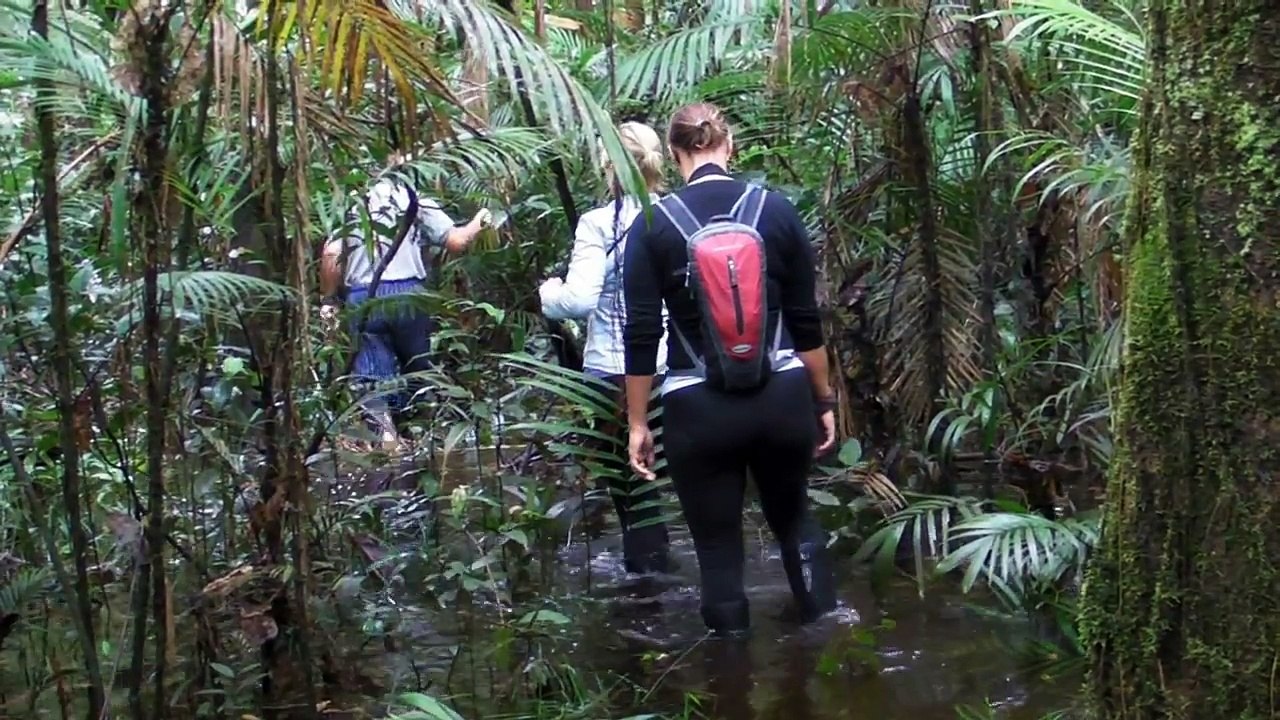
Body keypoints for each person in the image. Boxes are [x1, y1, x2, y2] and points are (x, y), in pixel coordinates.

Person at [621, 102, 838, 636]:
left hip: (698, 408)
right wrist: (824, 399)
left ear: (674, 155)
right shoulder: (777, 210)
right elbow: (806, 321)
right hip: (781, 396)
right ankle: (830, 648)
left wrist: (638, 424)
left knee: (717, 550)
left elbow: (642, 334)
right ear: (729, 144)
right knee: (796, 525)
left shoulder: (652, 225)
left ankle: (730, 678)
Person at [539, 122, 673, 575]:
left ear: (607, 164)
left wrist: (548, 292)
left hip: (612, 373)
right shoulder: (675, 214)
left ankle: (644, 592)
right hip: (672, 369)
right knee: (672, 486)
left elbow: (577, 301)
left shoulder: (598, 223)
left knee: (631, 490)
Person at [320, 168, 490, 444]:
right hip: (410, 294)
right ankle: (426, 439)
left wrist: (329, 301)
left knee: (372, 379)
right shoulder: (413, 198)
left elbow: (331, 253)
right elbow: (457, 241)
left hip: (365, 297)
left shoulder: (351, 203)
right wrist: (481, 219)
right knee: (420, 369)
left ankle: (388, 440)